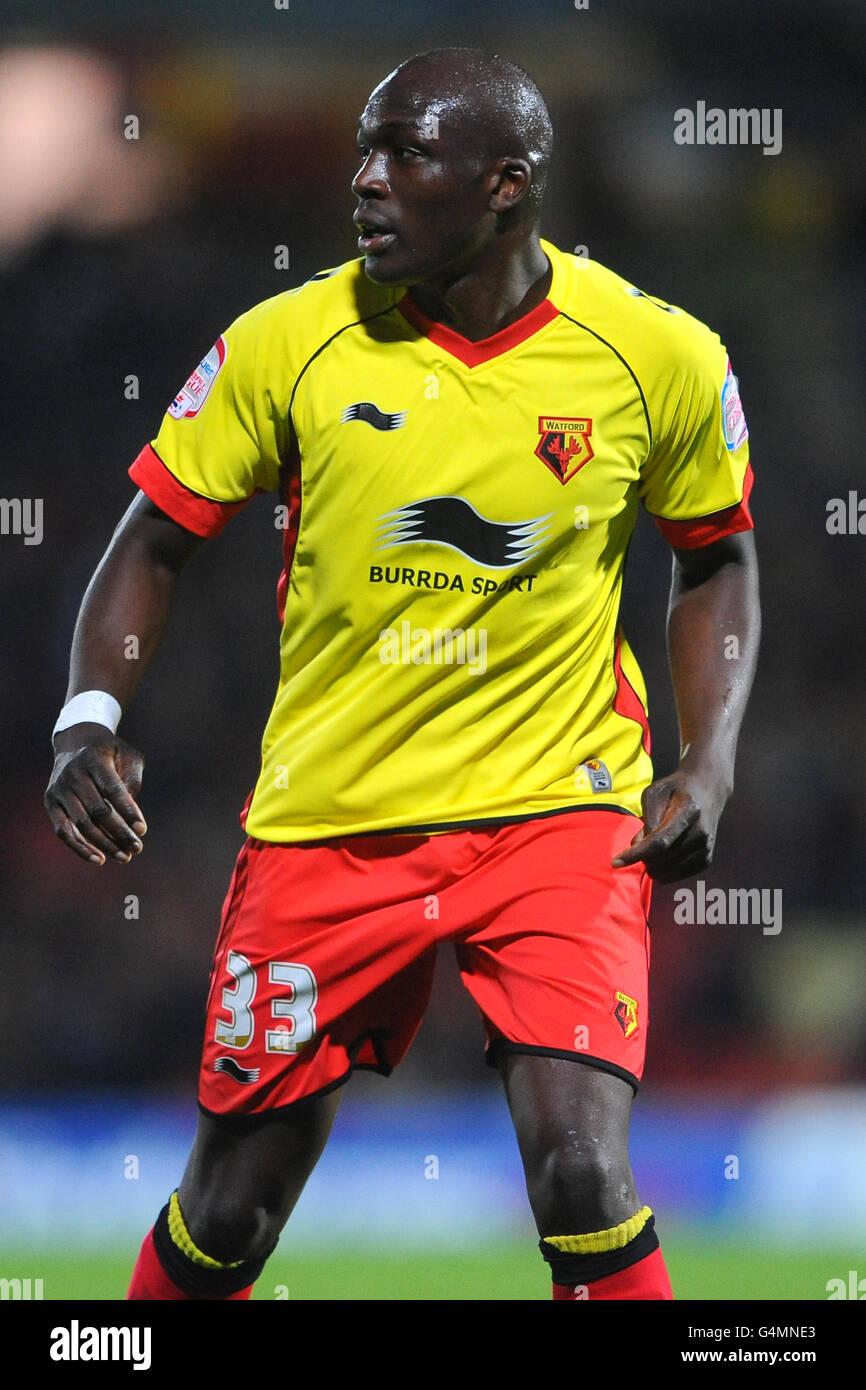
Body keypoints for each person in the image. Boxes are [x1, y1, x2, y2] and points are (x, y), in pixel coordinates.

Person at [44, 47, 759, 1301]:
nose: (365, 182)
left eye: (405, 156)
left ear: (504, 186)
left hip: (558, 813)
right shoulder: (286, 344)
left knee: (583, 1177)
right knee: (230, 1208)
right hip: (333, 825)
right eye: (363, 153)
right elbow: (153, 539)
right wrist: (88, 716)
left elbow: (716, 561)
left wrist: (705, 760)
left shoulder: (657, 354)